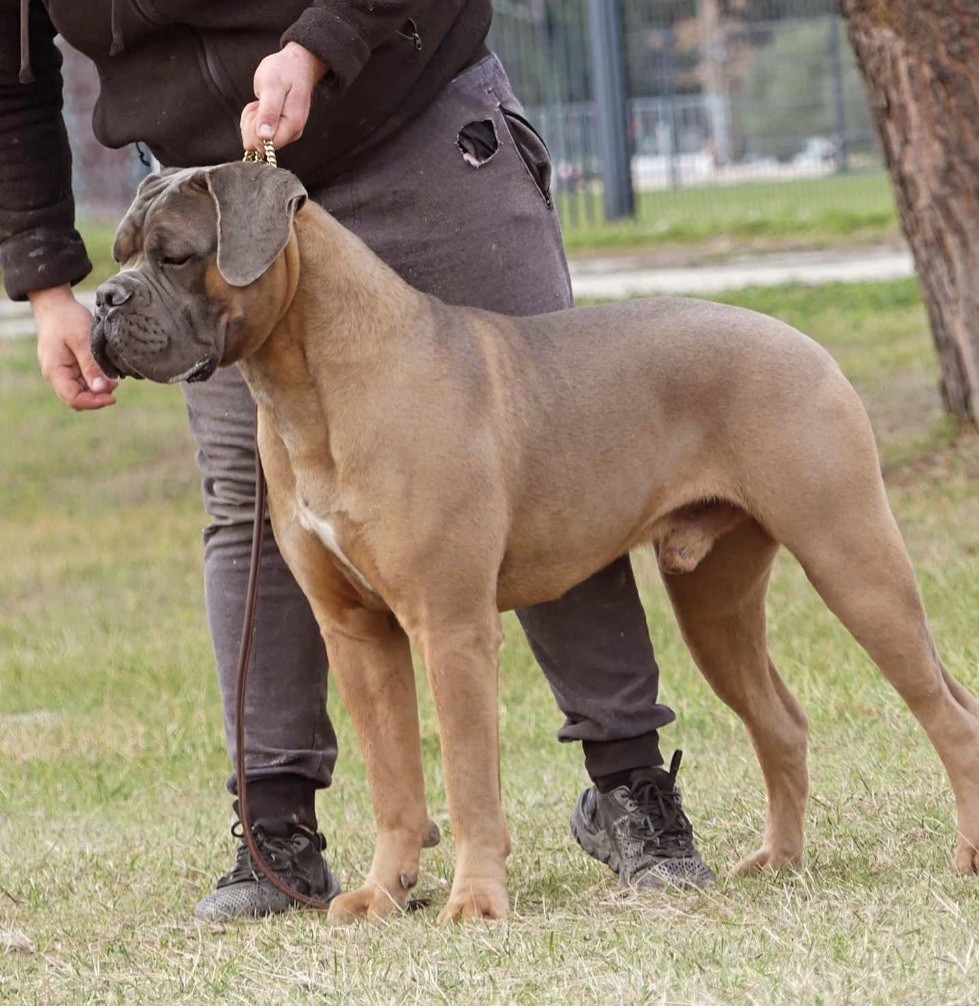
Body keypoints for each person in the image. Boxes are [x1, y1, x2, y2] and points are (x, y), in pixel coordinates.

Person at [1, 0, 715, 919]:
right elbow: (13, 75)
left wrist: (315, 46)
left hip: (409, 131)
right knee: (250, 505)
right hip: (202, 211)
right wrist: (47, 279)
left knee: (550, 451)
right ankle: (276, 837)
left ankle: (632, 793)